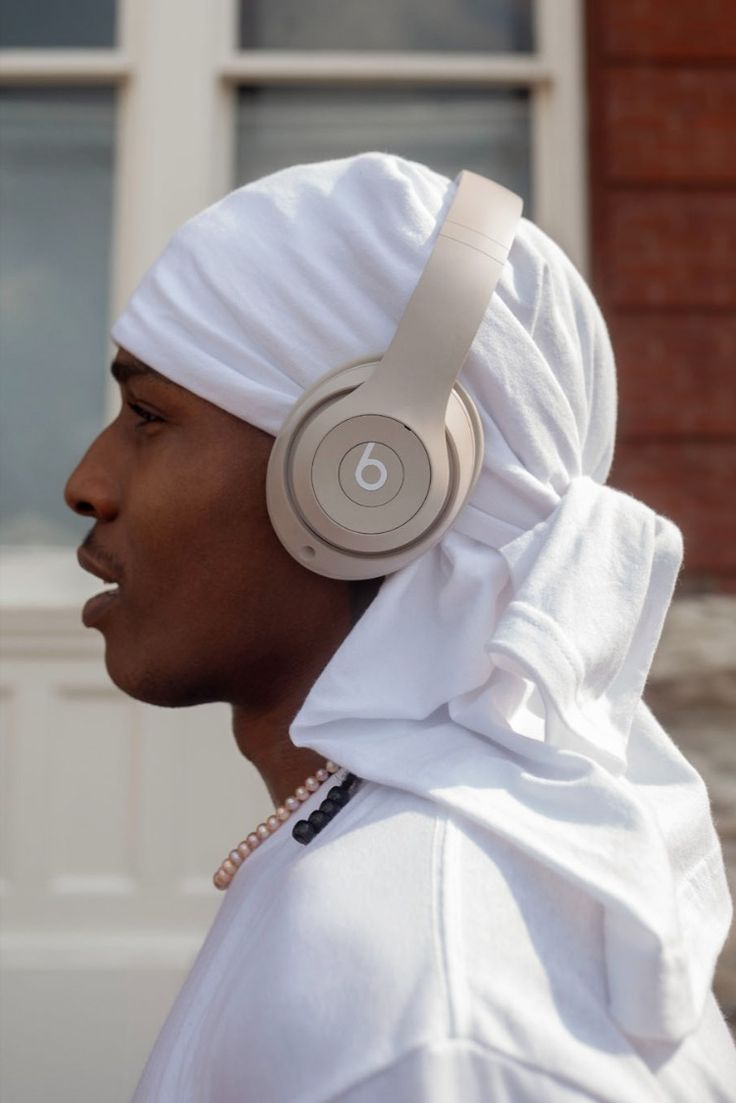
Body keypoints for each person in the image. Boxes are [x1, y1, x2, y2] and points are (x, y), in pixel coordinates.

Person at [64, 153, 736, 1101]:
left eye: (147, 414)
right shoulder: (351, 860)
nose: (86, 481)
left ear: (367, 477)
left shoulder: (430, 1010)